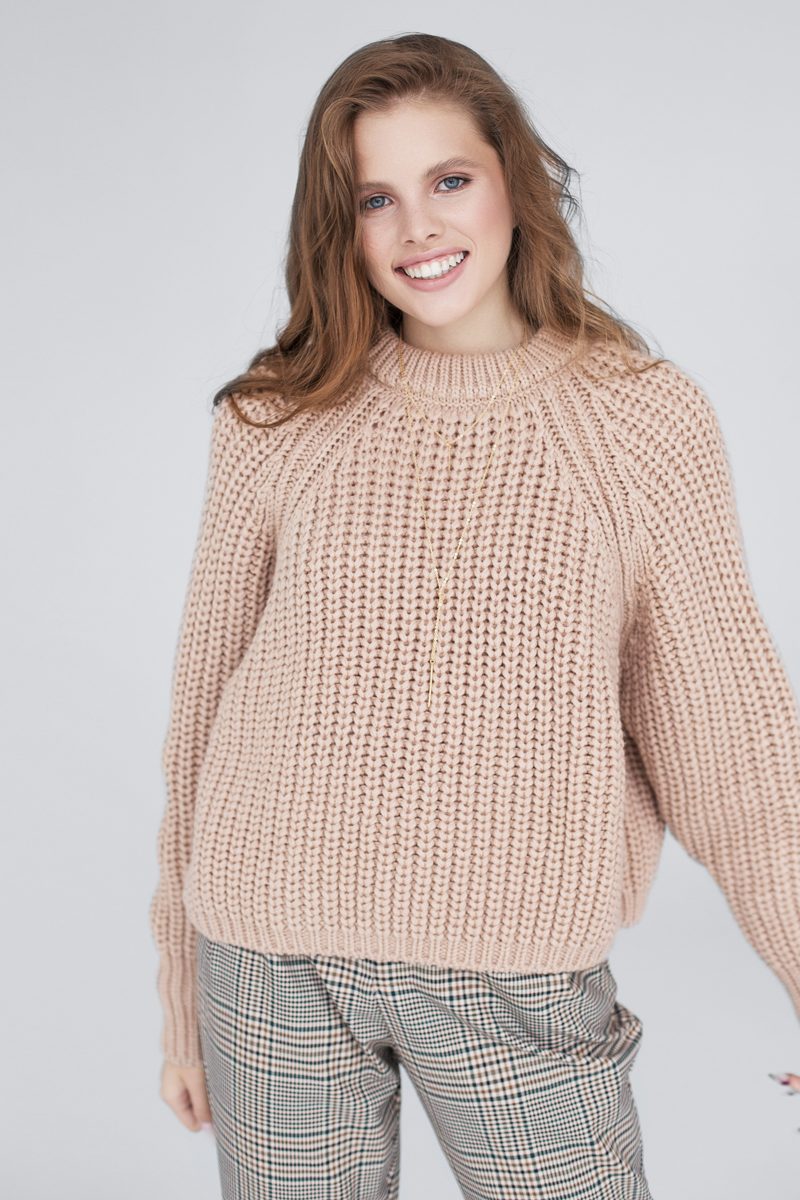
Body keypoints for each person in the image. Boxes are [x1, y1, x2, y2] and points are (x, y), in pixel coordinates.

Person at [151, 32, 800, 1199]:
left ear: (513, 180)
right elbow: (200, 721)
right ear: (339, 226)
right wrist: (180, 1000)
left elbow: (729, 746)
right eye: (375, 199)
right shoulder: (276, 417)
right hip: (268, 962)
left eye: (447, 180)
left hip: (514, 974)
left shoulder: (639, 422)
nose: (417, 228)